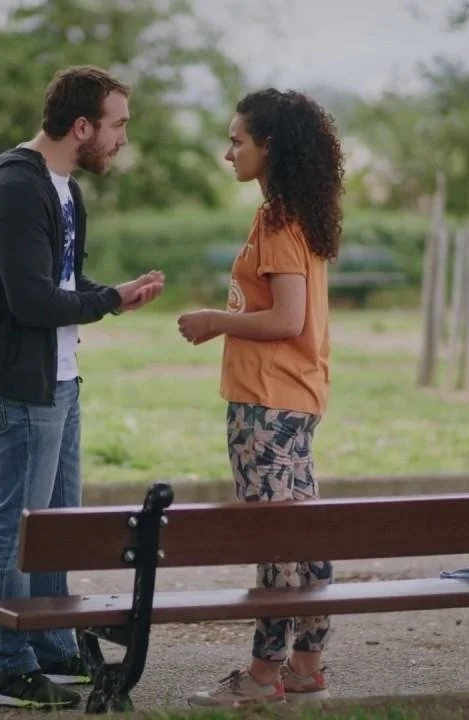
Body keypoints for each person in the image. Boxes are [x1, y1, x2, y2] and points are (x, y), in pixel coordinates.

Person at [0, 65, 165, 710]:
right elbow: (32, 301)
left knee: (55, 525)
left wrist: (113, 293)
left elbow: (61, 282)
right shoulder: (16, 188)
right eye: (117, 125)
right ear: (81, 126)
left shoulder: (64, 189)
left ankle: (49, 644)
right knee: (18, 526)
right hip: (22, 383)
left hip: (59, 378)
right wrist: (108, 301)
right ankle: (5, 666)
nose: (122, 139)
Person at [176, 88, 345, 708]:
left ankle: (263, 675)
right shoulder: (299, 215)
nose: (229, 154)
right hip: (295, 396)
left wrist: (214, 321)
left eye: (237, 141)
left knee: (275, 538)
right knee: (304, 531)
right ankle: (306, 664)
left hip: (266, 403)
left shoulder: (278, 221)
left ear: (269, 146)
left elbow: (286, 320)